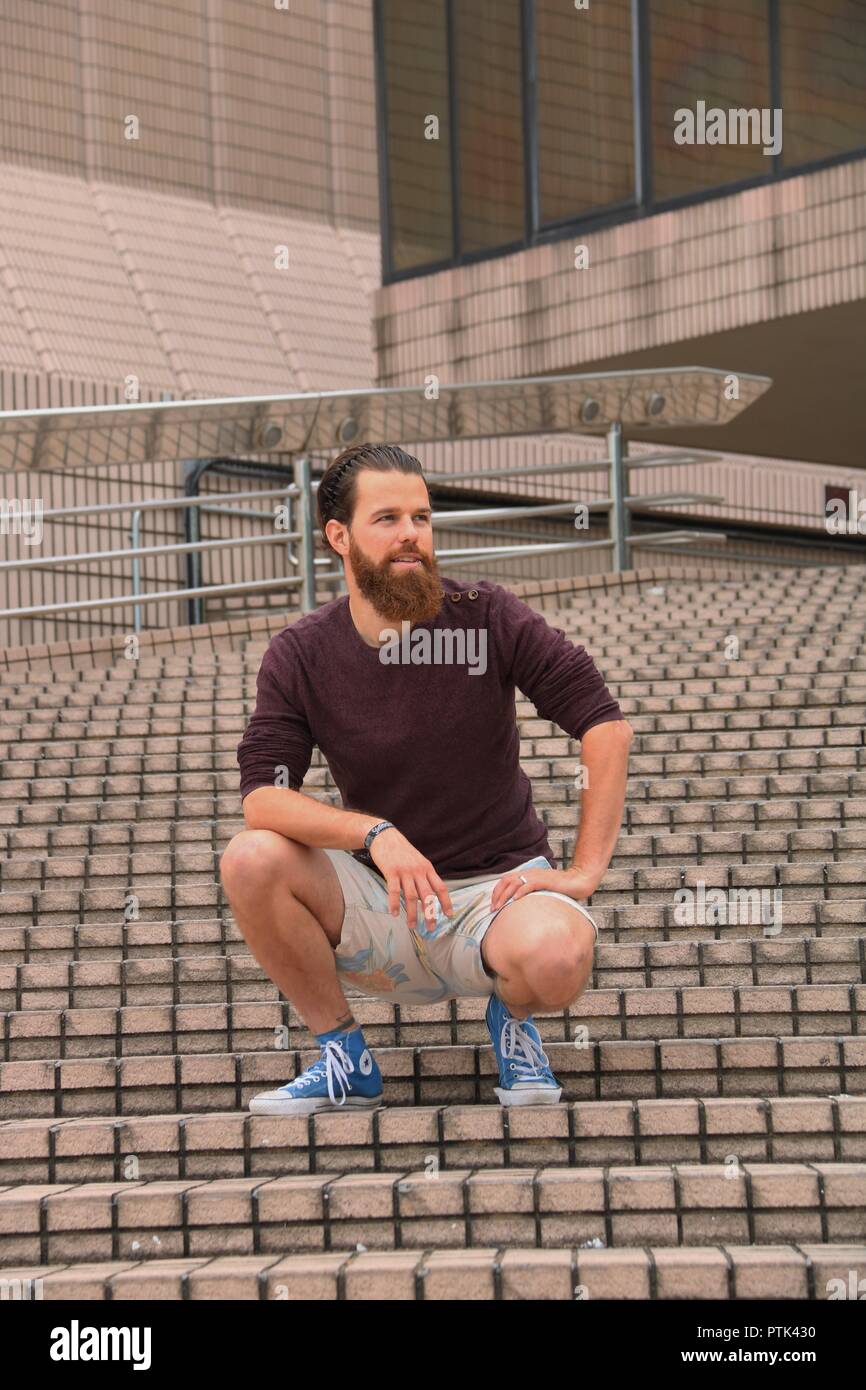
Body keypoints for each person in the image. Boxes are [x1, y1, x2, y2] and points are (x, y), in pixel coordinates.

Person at [220, 442, 633, 1114]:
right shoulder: (301, 653)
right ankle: (344, 1059)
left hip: (498, 895)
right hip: (384, 901)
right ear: (338, 536)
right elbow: (264, 798)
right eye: (387, 519)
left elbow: (605, 725)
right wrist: (372, 833)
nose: (412, 534)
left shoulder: (487, 615)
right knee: (251, 858)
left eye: (422, 517)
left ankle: (513, 1018)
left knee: (559, 955)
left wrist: (584, 871)